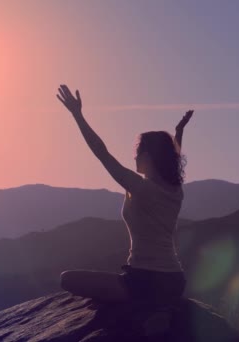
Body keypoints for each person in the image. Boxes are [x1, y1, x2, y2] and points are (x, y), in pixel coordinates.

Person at [56, 84, 194, 306]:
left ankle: (146, 313)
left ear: (147, 156)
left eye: (136, 153)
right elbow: (174, 156)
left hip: (144, 281)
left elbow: (102, 153)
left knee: (67, 279)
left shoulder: (141, 188)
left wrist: (78, 116)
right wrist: (179, 132)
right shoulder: (175, 190)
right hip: (175, 281)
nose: (134, 157)